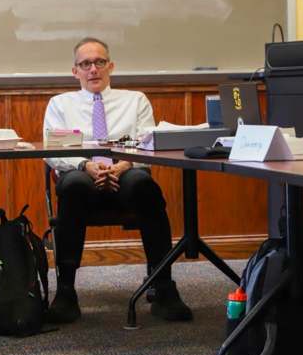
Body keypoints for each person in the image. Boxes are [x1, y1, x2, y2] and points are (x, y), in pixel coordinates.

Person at [42, 37, 192, 324]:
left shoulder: (134, 101)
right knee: (73, 186)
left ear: (110, 66)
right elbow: (55, 150)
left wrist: (123, 165)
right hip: (82, 174)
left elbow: (148, 145)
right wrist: (87, 165)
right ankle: (65, 291)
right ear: (75, 71)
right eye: (86, 64)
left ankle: (163, 286)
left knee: (144, 186)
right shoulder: (60, 104)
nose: (93, 69)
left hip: (127, 171)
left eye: (99, 62)